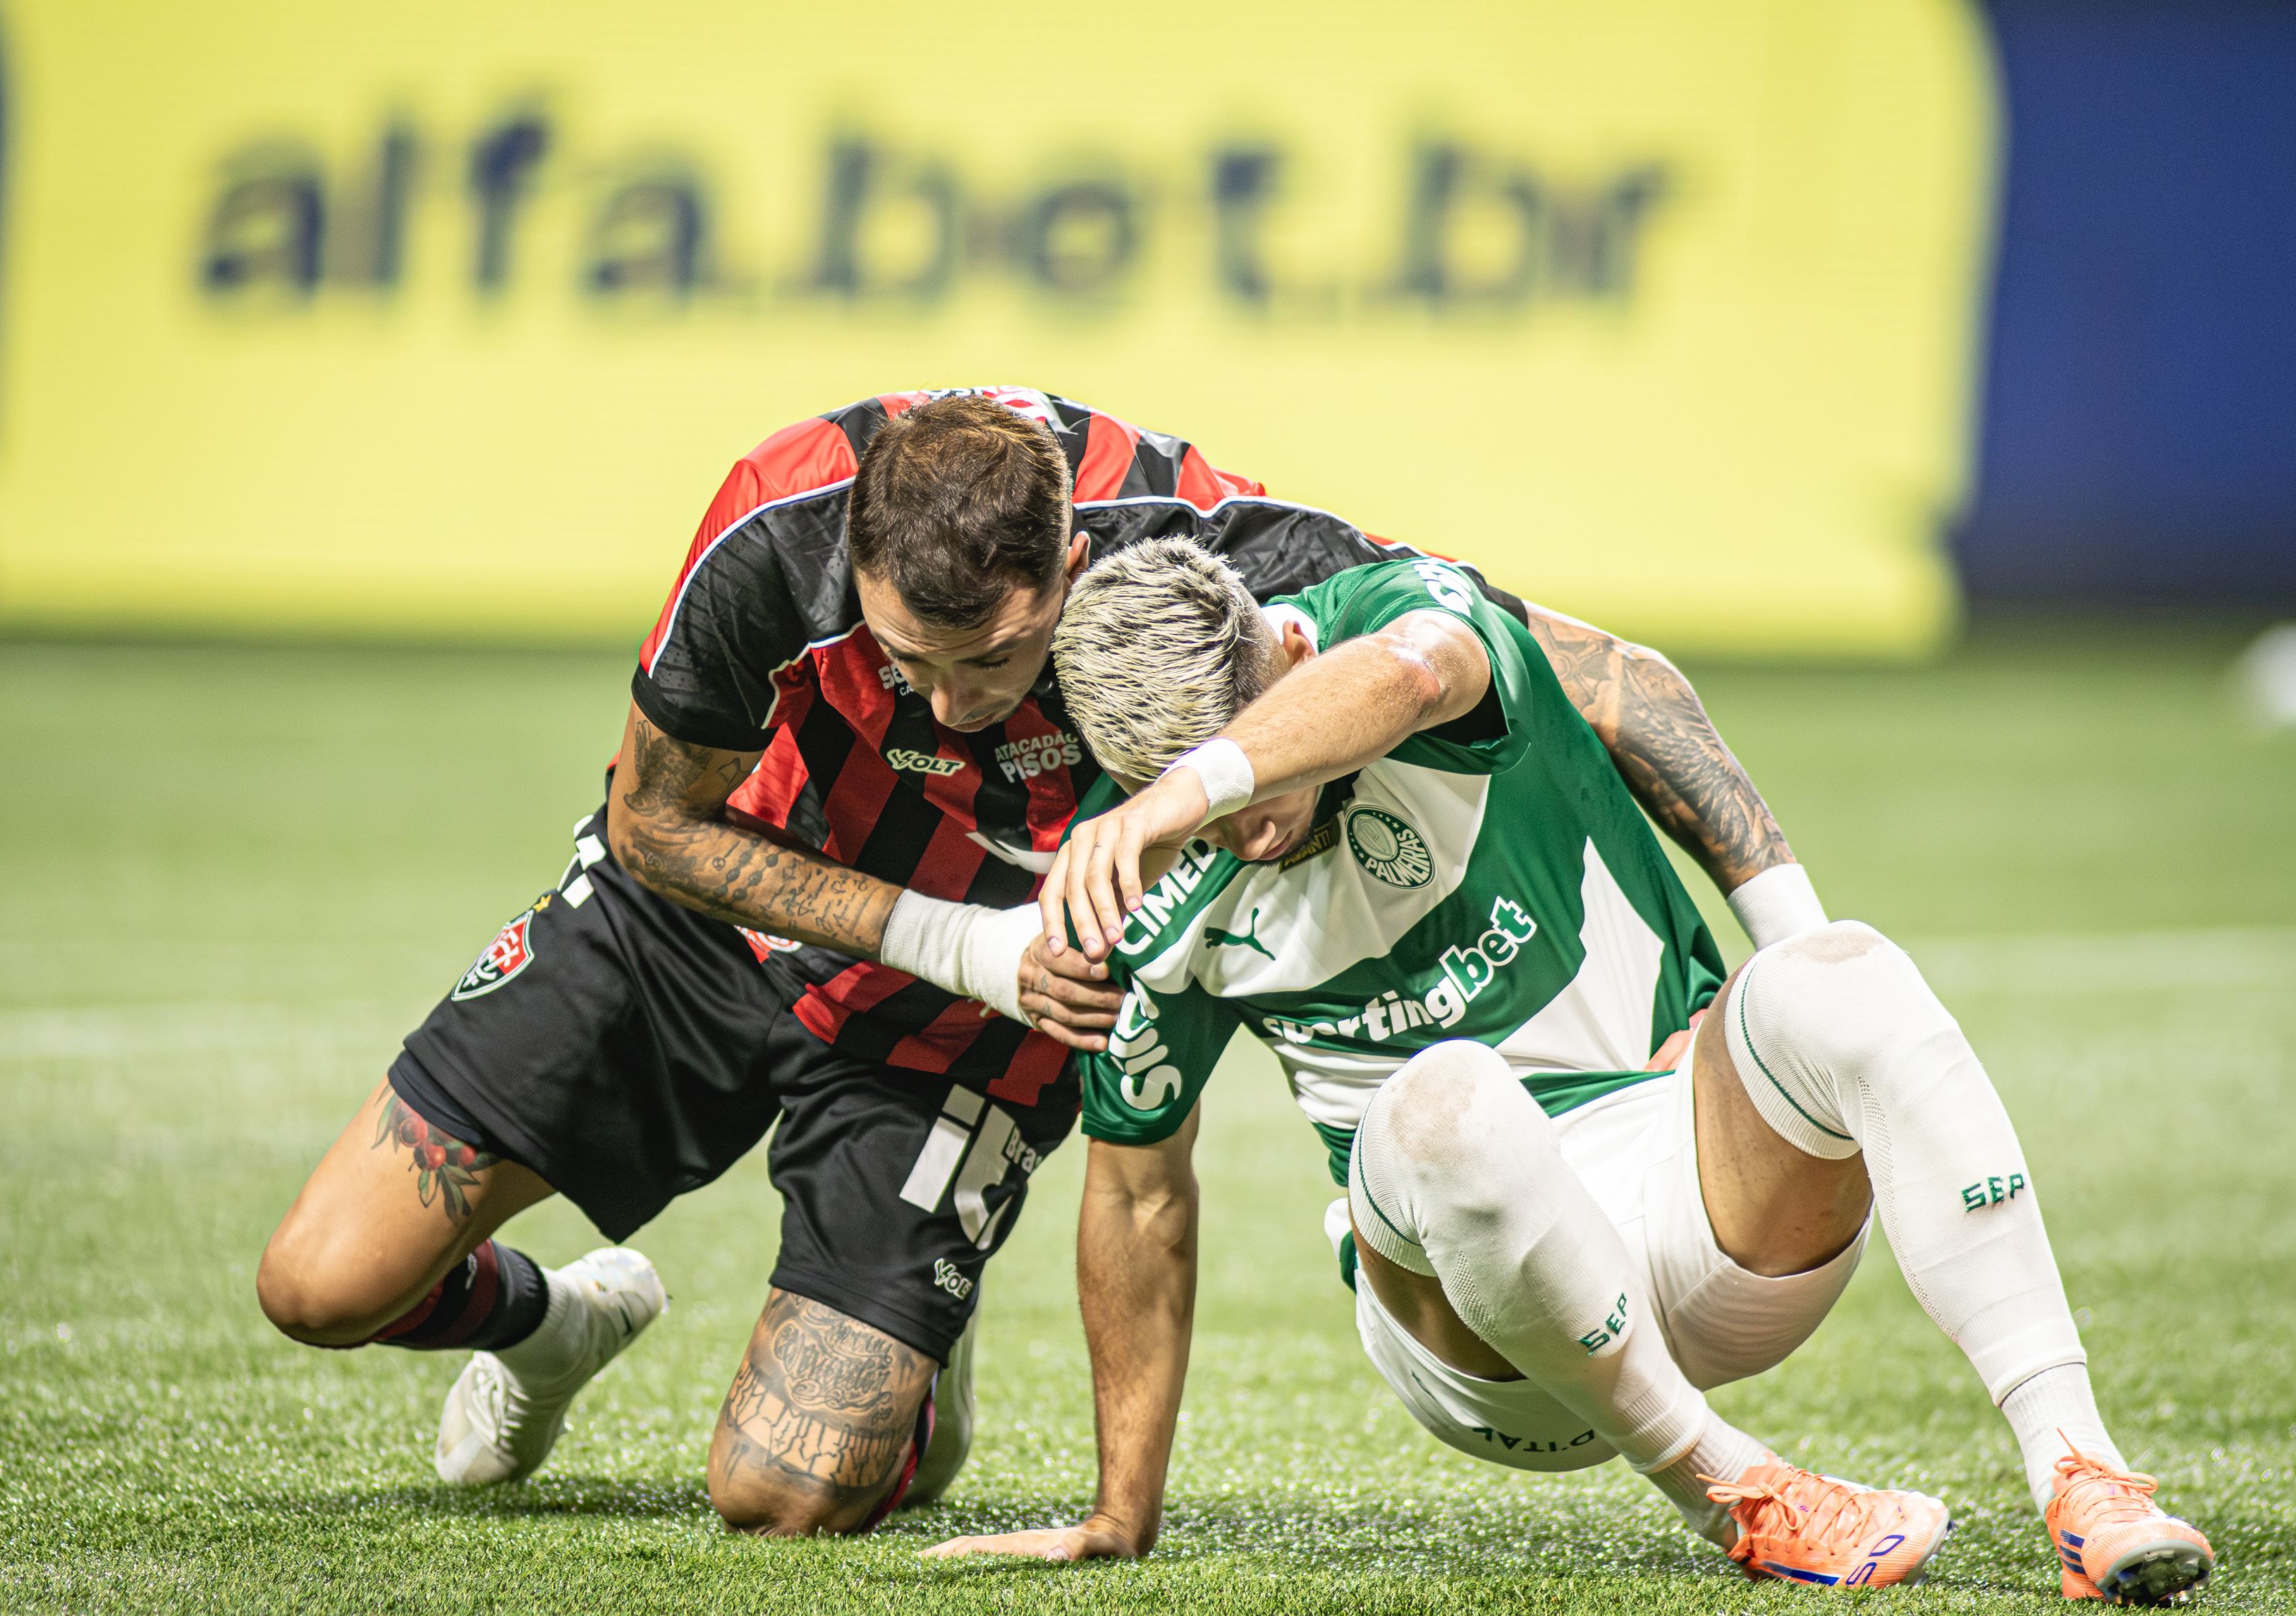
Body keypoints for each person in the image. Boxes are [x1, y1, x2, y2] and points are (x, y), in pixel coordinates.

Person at [251, 389, 1791, 1536]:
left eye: (991, 659)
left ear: (1071, 561)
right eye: (904, 660)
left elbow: (1600, 675)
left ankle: (923, 1344)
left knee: (783, 1495)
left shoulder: (1208, 543)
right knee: (317, 1287)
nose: (949, 704)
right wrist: (955, 939)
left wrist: (1787, 953)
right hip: (712, 927)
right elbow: (657, 825)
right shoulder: (770, 536)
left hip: (971, 1025)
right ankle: (551, 1327)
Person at [923, 537, 2215, 1604]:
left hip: (1705, 1208)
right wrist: (1120, 1511)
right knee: (1443, 1097)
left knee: (1845, 968)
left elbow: (1424, 669)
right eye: (1183, 797)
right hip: (1487, 1343)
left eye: (1245, 775)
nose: (1246, 829)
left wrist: (1193, 790)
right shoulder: (1142, 893)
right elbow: (1140, 1192)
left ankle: (2084, 1475)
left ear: (1292, 661)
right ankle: (1734, 1490)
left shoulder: (1391, 619)